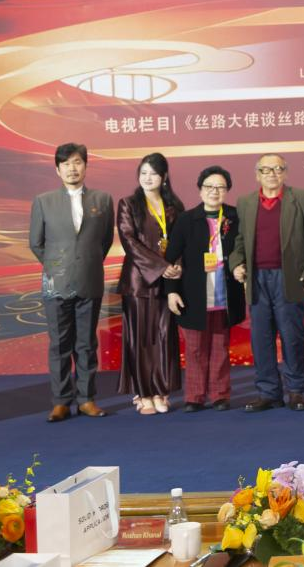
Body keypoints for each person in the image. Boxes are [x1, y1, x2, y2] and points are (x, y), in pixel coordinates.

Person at [30, 143, 115, 423]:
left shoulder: (103, 200)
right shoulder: (43, 201)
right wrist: (59, 268)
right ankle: (61, 402)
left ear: (86, 166)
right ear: (57, 170)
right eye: (66, 164)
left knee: (86, 343)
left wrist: (85, 264)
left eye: (77, 162)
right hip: (55, 283)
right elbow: (36, 243)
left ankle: (87, 399)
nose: (72, 168)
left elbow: (104, 242)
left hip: (89, 279)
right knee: (59, 344)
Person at [230, 153, 304, 413]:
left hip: (289, 277)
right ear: (257, 174)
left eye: (277, 169)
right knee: (261, 338)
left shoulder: (302, 198)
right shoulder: (245, 202)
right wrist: (237, 264)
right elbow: (239, 242)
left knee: (292, 336)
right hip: (256, 279)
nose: (272, 174)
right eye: (265, 170)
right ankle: (268, 393)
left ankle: (296, 391)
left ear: (285, 173)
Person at [165, 166, 245, 412]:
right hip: (193, 295)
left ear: (227, 190)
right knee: (195, 349)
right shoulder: (186, 220)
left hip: (225, 293)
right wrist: (171, 291)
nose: (214, 191)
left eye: (220, 187)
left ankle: (220, 395)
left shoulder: (235, 217)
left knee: (220, 347)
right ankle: (195, 397)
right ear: (200, 190)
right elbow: (170, 259)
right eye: (209, 186)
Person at [116, 153, 183, 415]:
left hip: (167, 282)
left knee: (164, 336)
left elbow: (181, 242)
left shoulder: (174, 206)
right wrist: (161, 267)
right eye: (143, 173)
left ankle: (161, 391)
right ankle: (143, 394)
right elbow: (129, 241)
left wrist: (176, 266)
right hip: (138, 282)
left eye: (153, 173)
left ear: (164, 177)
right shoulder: (128, 204)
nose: (147, 178)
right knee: (141, 338)